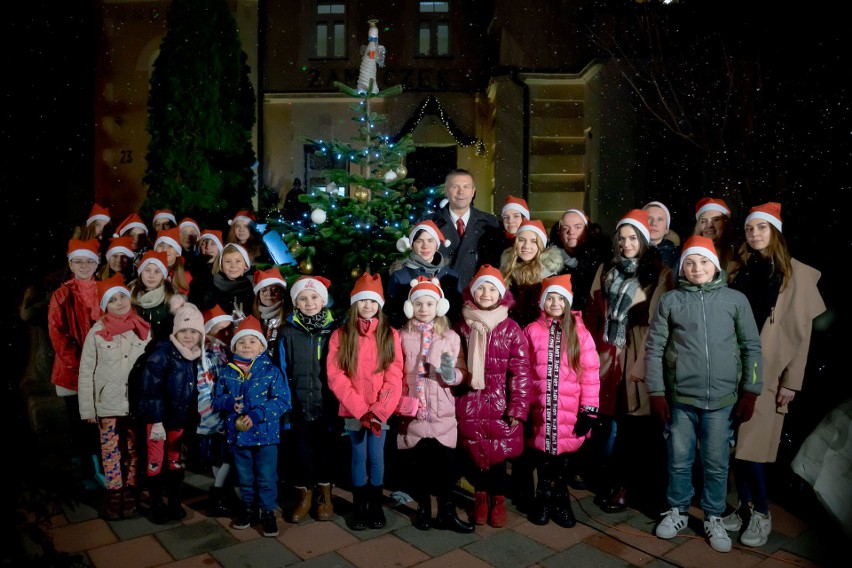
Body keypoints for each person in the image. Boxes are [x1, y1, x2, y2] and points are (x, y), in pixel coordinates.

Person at [645, 235, 763, 553]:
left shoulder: (735, 301)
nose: (697, 268)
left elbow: (751, 347)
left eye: (704, 262)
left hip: (722, 401)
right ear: (683, 268)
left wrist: (750, 391)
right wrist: (656, 391)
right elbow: (655, 348)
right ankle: (678, 510)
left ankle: (713, 515)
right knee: (680, 459)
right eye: (690, 262)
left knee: (716, 462)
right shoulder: (671, 302)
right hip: (682, 398)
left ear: (716, 267)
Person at [725, 203, 826, 547]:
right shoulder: (739, 268)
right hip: (733, 365)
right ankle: (744, 507)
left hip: (766, 373)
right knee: (737, 445)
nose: (754, 234)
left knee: (753, 448)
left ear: (776, 232)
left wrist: (792, 382)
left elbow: (802, 334)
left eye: (762, 228)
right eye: (750, 228)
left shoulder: (793, 274)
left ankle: (762, 513)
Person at [584, 209, 674, 513]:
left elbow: (659, 322)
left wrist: (644, 361)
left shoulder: (660, 274)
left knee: (641, 425)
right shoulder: (606, 269)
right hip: (609, 352)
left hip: (639, 352)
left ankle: (643, 488)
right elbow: (593, 311)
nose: (626, 243)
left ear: (644, 240)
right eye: (621, 238)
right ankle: (615, 482)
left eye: (632, 237)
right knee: (612, 420)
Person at [455, 265, 531, 528]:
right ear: (473, 292)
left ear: (501, 294)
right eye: (481, 288)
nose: (486, 294)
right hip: (471, 401)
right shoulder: (462, 326)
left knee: (498, 456)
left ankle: (497, 500)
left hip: (499, 404)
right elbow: (456, 362)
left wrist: (517, 408)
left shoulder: (511, 328)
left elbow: (520, 371)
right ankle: (480, 498)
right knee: (475, 455)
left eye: (492, 289)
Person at [396, 277, 474, 533]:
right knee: (420, 464)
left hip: (442, 411)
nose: (424, 309)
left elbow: (461, 371)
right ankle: (423, 508)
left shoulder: (450, 336)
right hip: (415, 411)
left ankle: (446, 510)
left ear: (439, 307)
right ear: (411, 307)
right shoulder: (402, 336)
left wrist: (451, 375)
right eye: (419, 304)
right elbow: (396, 371)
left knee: (446, 464)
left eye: (430, 304)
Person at [327, 273, 403, 531]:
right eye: (363, 301)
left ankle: (376, 506)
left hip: (380, 412)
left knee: (377, 456)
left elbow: (395, 375)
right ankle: (360, 506)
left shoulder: (390, 335)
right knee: (358, 455)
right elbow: (336, 375)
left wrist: (379, 410)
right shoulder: (341, 335)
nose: (368, 306)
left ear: (379, 304)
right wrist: (360, 410)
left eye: (373, 301)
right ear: (354, 304)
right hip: (354, 411)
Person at [523, 274, 600, 527]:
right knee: (544, 459)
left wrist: (589, 410)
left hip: (569, 410)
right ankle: (544, 496)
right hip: (541, 409)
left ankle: (561, 498)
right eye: (550, 297)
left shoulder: (580, 333)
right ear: (542, 301)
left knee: (565, 459)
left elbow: (590, 374)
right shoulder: (532, 330)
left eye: (560, 298)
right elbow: (523, 370)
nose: (555, 303)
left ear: (568, 302)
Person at [78, 274, 152, 520]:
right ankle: (114, 495)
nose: (119, 302)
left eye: (122, 296)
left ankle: (131, 492)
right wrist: (88, 409)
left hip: (134, 404)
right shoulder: (97, 333)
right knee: (110, 452)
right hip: (107, 404)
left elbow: (151, 369)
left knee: (133, 449)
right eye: (113, 300)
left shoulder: (141, 328)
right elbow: (86, 372)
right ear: (104, 306)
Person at [213, 315, 291, 537]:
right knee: (244, 476)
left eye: (252, 341)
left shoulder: (271, 371)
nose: (247, 345)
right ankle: (248, 508)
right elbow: (217, 399)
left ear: (262, 346)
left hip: (266, 436)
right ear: (235, 345)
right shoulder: (228, 372)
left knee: (266, 476)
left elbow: (282, 401)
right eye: (242, 342)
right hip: (239, 436)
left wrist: (258, 414)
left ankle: (267, 511)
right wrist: (229, 403)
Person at [136, 296, 207, 524]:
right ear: (175, 331)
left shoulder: (196, 355)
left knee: (175, 460)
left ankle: (174, 502)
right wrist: (156, 420)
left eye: (194, 331)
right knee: (155, 460)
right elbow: (151, 390)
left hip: (178, 420)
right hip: (158, 420)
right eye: (183, 330)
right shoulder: (162, 354)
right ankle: (157, 503)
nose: (188, 336)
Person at [278, 275, 341, 523]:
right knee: (301, 451)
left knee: (326, 451)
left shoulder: (335, 330)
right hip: (299, 404)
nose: (309, 302)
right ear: (296, 303)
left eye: (314, 297)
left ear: (323, 300)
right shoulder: (287, 332)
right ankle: (304, 494)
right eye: (303, 298)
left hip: (327, 403)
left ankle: (325, 494)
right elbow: (282, 370)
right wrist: (285, 405)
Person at [48, 239, 103, 485]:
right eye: (78, 261)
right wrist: (84, 366)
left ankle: (102, 467)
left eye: (89, 261)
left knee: (100, 423)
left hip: (102, 370)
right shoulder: (61, 295)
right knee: (79, 424)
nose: (83, 265)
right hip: (72, 371)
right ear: (70, 264)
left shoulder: (104, 290)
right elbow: (58, 335)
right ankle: (86, 470)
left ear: (96, 264)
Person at [426, 168, 501, 288]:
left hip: (477, 295)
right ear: (446, 191)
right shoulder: (430, 223)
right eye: (455, 187)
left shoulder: (491, 223)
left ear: (473, 191)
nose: (461, 192)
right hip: (439, 295)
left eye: (466, 187)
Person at [197, 305, 236, 517]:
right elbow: (206, 389)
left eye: (229, 329)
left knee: (222, 457)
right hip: (215, 415)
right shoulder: (209, 354)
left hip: (225, 412)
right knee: (224, 456)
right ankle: (219, 495)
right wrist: (213, 418)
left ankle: (224, 493)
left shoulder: (224, 350)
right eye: (221, 330)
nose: (227, 334)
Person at [386, 219, 462, 328]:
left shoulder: (451, 277)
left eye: (430, 240)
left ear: (437, 244)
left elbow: (457, 314)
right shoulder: (399, 277)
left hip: (444, 338)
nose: (425, 246)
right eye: (419, 241)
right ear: (412, 245)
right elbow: (392, 314)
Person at [500, 219, 563, 328]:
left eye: (533, 241)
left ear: (541, 245)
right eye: (521, 240)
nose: (526, 246)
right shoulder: (506, 271)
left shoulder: (550, 277)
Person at [550, 209, 610, 314]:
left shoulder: (602, 262)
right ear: (559, 233)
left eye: (578, 227)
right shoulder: (548, 263)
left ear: (587, 231)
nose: (571, 232)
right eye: (565, 228)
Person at [129, 250, 177, 342]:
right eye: (147, 270)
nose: (151, 276)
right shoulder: (129, 294)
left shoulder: (171, 298)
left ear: (163, 275)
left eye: (157, 272)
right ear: (140, 272)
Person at [201, 242, 255, 319]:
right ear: (221, 266)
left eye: (238, 261)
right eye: (228, 261)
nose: (233, 266)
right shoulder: (211, 290)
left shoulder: (253, 289)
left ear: (246, 265)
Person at [251, 267, 289, 365]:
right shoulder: (254, 320)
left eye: (275, 290)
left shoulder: (289, 319)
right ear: (258, 295)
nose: (269, 294)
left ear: (281, 293)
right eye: (264, 290)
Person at [479, 195, 531, 267]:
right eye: (506, 217)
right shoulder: (492, 244)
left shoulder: (535, 241)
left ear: (525, 218)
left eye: (516, 216)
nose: (510, 221)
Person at [694, 197, 739, 273]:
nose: (709, 225)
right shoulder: (688, 254)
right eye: (704, 221)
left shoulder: (738, 252)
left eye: (716, 220)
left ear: (725, 223)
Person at [187, 228, 224, 307]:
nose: (207, 247)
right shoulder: (192, 269)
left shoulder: (225, 271)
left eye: (213, 244)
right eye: (204, 243)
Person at [643, 200, 681, 271]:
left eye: (660, 219)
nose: (654, 223)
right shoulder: (627, 250)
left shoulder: (677, 257)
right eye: (649, 218)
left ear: (666, 229)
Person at [154, 227, 192, 295]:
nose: (165, 250)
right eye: (160, 245)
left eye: (171, 246)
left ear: (177, 253)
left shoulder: (186, 276)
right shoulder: (148, 271)